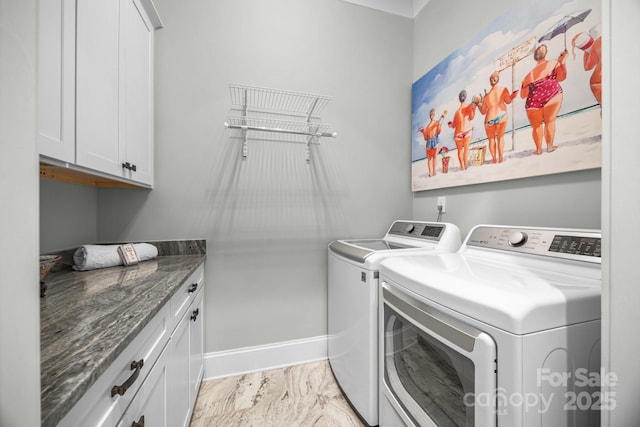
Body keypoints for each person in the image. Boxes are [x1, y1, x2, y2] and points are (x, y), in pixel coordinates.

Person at [520, 43, 568, 155]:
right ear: (545, 53)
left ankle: (538, 149)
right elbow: (561, 77)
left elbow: (523, 95)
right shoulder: (553, 63)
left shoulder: (529, 75)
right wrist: (562, 62)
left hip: (533, 102)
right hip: (552, 95)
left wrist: (523, 85)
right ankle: (550, 146)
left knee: (536, 126)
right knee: (549, 122)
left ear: (534, 57)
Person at [477, 72, 518, 163]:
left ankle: (494, 159)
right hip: (501, 116)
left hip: (489, 119)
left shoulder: (486, 96)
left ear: (490, 81)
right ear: (497, 79)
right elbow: (508, 101)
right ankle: (500, 158)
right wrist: (512, 96)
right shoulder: (503, 89)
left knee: (491, 139)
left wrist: (478, 104)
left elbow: (483, 112)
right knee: (500, 137)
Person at [572, 29, 602, 106]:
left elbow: (587, 67)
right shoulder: (600, 41)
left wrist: (586, 52)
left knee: (595, 82)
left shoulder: (595, 47)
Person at [448, 90, 476, 170]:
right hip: (467, 131)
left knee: (460, 150)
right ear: (465, 97)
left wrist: (450, 125)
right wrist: (474, 109)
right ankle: (466, 165)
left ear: (459, 99)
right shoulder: (468, 107)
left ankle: (462, 166)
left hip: (458, 134)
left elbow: (453, 126)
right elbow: (471, 117)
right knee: (466, 149)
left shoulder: (457, 112)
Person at [419, 108, 446, 177]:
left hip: (433, 140)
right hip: (430, 142)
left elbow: (439, 131)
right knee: (431, 159)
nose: (432, 115)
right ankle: (432, 172)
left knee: (432, 158)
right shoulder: (428, 126)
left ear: (433, 115)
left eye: (432, 114)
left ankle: (433, 172)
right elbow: (425, 138)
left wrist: (440, 124)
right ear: (430, 115)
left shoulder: (435, 123)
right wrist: (423, 132)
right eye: (431, 114)